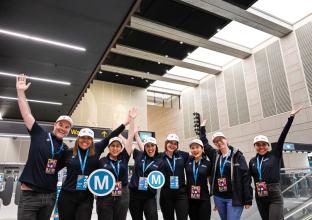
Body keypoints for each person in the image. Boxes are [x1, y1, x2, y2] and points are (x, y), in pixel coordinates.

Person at [57, 108, 136, 220]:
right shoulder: (68, 152)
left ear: (92, 140)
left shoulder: (96, 149)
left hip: (86, 196)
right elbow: (55, 167)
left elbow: (111, 135)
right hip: (68, 195)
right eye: (83, 138)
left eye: (88, 138)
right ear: (78, 139)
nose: (85, 140)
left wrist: (127, 122)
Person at [16, 74, 72, 220]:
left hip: (49, 196)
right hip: (30, 195)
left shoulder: (65, 149)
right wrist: (21, 92)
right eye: (61, 124)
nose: (63, 128)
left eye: (67, 127)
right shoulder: (39, 134)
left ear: (69, 131)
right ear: (55, 125)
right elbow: (26, 114)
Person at [249, 107, 302, 220]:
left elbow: (283, 136)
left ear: (268, 145)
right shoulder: (252, 161)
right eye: (258, 145)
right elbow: (248, 178)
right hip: (260, 194)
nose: (261, 147)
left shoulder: (275, 154)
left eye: (264, 144)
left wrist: (291, 118)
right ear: (255, 146)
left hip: (274, 194)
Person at [200, 120, 252, 220]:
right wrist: (202, 128)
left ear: (226, 140)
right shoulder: (215, 155)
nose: (219, 142)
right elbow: (205, 143)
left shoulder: (238, 156)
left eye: (220, 139)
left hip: (234, 197)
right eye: (216, 141)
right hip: (219, 197)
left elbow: (246, 177)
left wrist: (248, 199)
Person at [96, 108, 137, 220]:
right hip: (105, 194)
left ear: (121, 147)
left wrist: (132, 120)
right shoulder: (102, 161)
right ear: (108, 147)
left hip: (123, 193)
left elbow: (130, 138)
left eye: (117, 146)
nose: (115, 148)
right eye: (112, 146)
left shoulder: (124, 156)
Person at [128, 129, 164, 220]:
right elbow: (129, 145)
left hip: (149, 196)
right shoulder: (139, 155)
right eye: (147, 146)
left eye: (152, 146)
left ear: (156, 147)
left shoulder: (160, 160)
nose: (150, 148)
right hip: (134, 196)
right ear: (145, 147)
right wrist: (134, 134)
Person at [159, 134, 189, 220]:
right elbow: (146, 151)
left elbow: (197, 153)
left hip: (181, 193)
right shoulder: (160, 156)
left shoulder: (182, 155)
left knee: (183, 217)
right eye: (170, 143)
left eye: (175, 143)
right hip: (166, 193)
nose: (172, 145)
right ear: (166, 143)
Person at [185, 139, 212, 220]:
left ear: (202, 148)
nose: (195, 150)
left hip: (204, 198)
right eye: (192, 148)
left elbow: (211, 181)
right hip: (190, 199)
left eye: (197, 147)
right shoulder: (187, 162)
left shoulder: (208, 163)